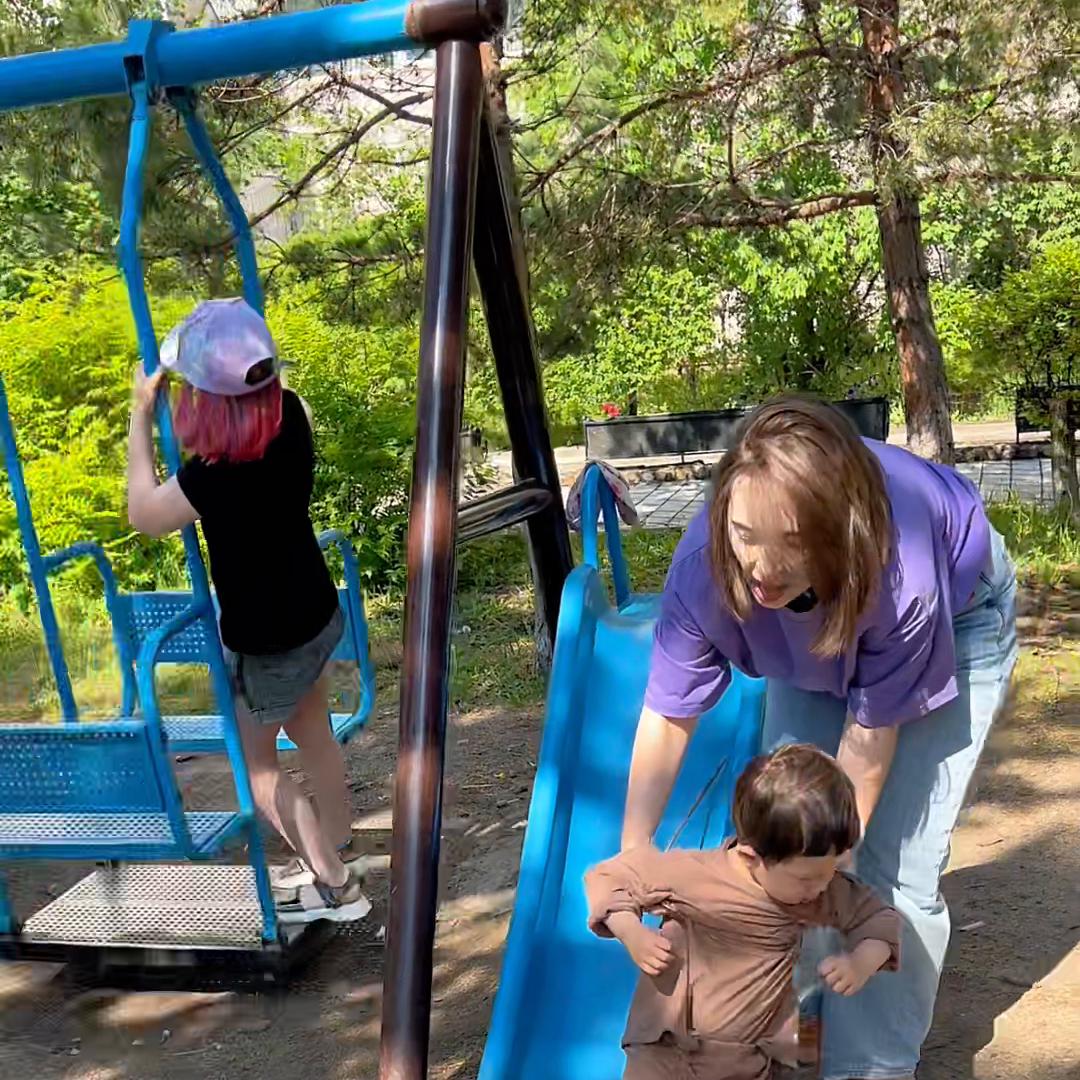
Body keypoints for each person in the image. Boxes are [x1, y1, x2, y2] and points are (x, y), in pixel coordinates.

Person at [621, 396, 1018, 1080]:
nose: (763, 567)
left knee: (884, 870)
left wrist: (827, 869)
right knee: (781, 852)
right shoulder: (708, 568)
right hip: (816, 630)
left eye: (793, 540)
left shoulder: (903, 577)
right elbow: (667, 714)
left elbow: (868, 746)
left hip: (952, 618)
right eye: (746, 532)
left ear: (833, 529)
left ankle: (872, 1068)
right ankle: (796, 1052)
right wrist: (635, 856)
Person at [127, 297, 368, 923]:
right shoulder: (292, 416)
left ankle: (336, 884)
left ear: (204, 402)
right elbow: (264, 383)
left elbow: (142, 514)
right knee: (310, 731)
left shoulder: (212, 475)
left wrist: (138, 416)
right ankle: (337, 843)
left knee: (255, 765)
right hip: (315, 612)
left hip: (270, 638)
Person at [587, 744, 900, 1080]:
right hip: (668, 1051)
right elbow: (610, 877)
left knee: (799, 1048)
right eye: (807, 877)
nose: (822, 885)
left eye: (832, 869)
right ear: (752, 857)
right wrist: (632, 933)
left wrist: (863, 961)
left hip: (748, 1057)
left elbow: (879, 919)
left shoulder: (819, 889)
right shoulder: (693, 875)